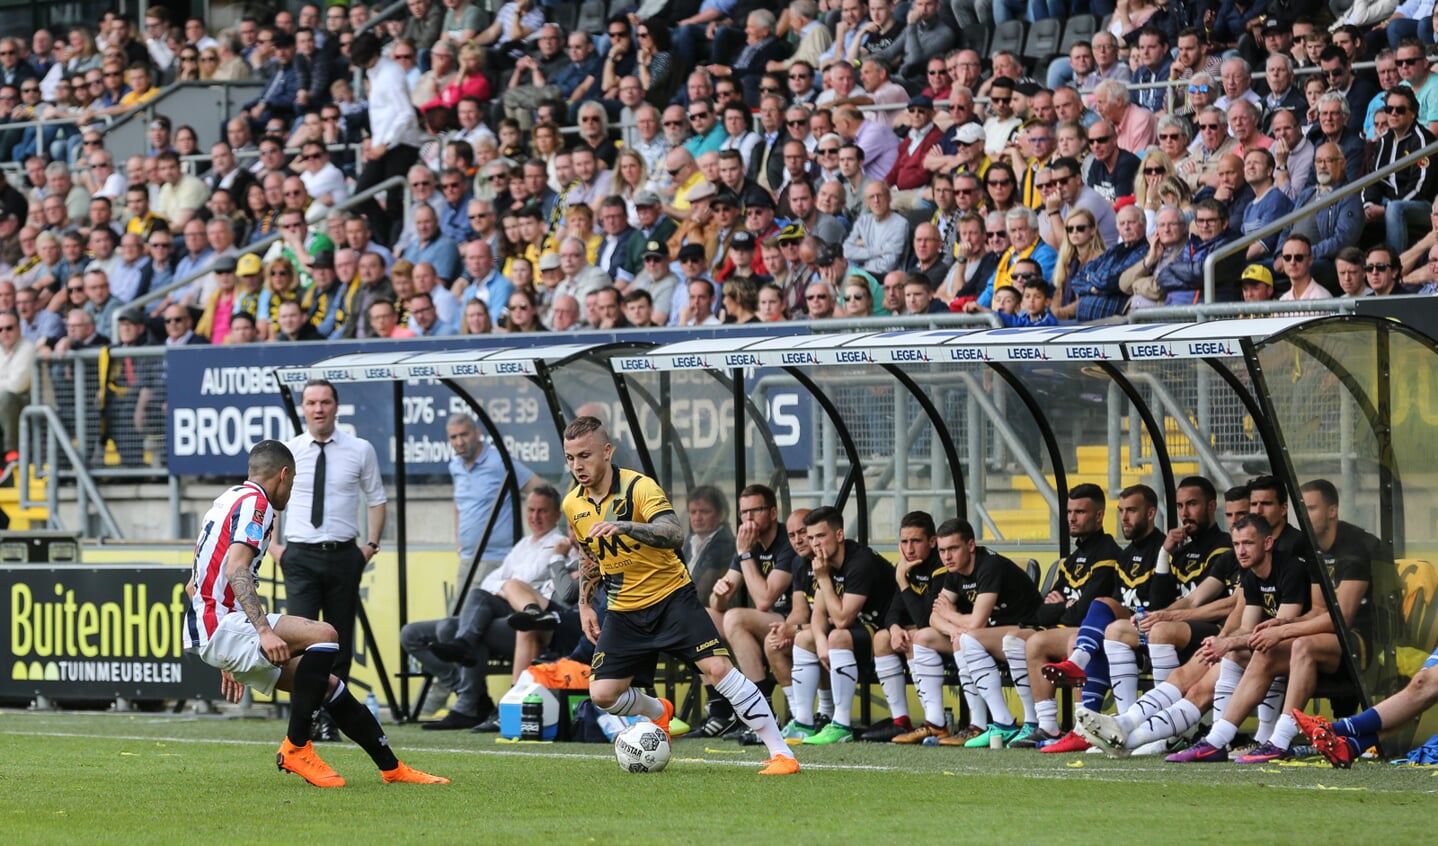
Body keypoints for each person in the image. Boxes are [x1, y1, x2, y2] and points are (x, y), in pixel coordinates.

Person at [183, 440, 446, 788]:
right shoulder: (257, 504)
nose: (290, 492)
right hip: (223, 624)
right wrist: (261, 632)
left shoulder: (227, 501)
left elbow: (192, 586)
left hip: (215, 627)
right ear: (284, 474)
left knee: (327, 686)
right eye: (292, 483)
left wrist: (229, 655)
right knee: (325, 635)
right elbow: (236, 570)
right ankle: (296, 746)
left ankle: (392, 768)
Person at [559, 416, 799, 775]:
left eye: (585, 455)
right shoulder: (572, 504)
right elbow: (589, 554)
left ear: (607, 452)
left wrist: (624, 526)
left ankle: (782, 754)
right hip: (624, 610)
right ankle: (659, 712)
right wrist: (584, 605)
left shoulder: (640, 488)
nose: (577, 465)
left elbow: (673, 534)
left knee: (719, 669)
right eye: (570, 458)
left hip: (672, 599)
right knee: (602, 695)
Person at [270, 380, 387, 742]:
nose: (318, 409)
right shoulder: (290, 450)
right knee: (301, 640)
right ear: (304, 408)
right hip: (300, 555)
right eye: (311, 403)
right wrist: (275, 548)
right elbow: (273, 500)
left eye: (324, 402)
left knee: (340, 641)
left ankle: (331, 720)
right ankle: (304, 719)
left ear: (336, 406)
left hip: (342, 555)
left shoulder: (360, 449)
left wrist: (369, 546)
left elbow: (376, 498)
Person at [407, 485, 568, 730]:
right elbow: (491, 580)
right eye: (531, 510)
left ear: (557, 515)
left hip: (528, 621)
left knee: (467, 622)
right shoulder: (524, 544)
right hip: (505, 611)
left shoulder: (560, 544)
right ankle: (469, 695)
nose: (535, 517)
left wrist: (505, 587)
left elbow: (527, 582)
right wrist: (505, 587)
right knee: (437, 628)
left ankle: (468, 703)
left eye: (542, 511)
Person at [791, 506, 896, 746]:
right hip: (859, 630)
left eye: (821, 536)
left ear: (839, 535)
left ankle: (841, 724)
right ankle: (803, 722)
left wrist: (824, 578)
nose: (815, 544)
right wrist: (819, 643)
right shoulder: (822, 561)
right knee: (803, 638)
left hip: (886, 630)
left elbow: (841, 619)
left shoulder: (860, 562)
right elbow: (818, 612)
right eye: (811, 537)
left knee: (837, 636)